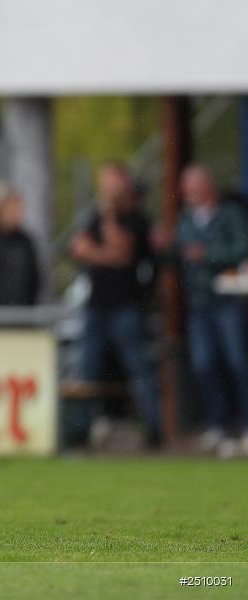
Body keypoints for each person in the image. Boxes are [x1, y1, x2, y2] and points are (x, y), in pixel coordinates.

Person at [69, 162, 162, 449]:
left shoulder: (135, 218)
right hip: (96, 306)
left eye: (111, 182)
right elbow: (79, 249)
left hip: (126, 306)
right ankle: (80, 433)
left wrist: (107, 223)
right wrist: (106, 253)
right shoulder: (92, 218)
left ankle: (154, 430)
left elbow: (122, 250)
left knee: (138, 369)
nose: (106, 189)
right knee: (87, 371)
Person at [170, 165, 248, 456]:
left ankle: (244, 424)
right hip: (198, 303)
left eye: (191, 185)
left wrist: (207, 254)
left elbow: (240, 248)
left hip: (226, 299)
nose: (187, 191)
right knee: (205, 365)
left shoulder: (229, 215)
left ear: (206, 186)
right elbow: (179, 252)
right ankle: (218, 425)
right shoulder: (186, 219)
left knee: (237, 362)